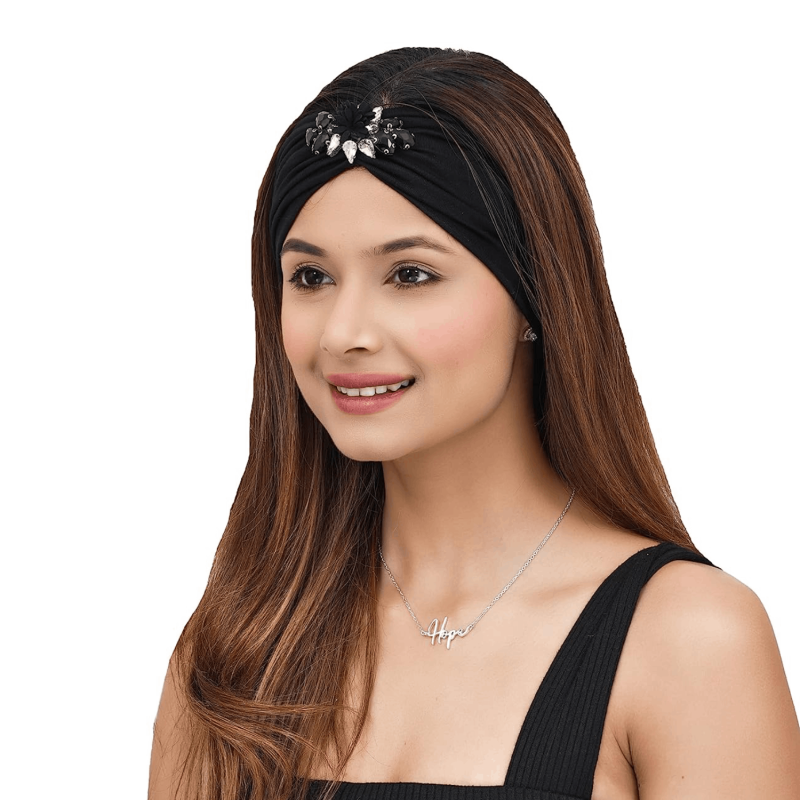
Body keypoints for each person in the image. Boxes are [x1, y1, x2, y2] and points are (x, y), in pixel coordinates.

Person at [148, 47, 800, 799]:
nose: (343, 333)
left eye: (411, 274)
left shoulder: (689, 641)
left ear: (534, 295)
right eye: (312, 277)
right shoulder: (236, 647)